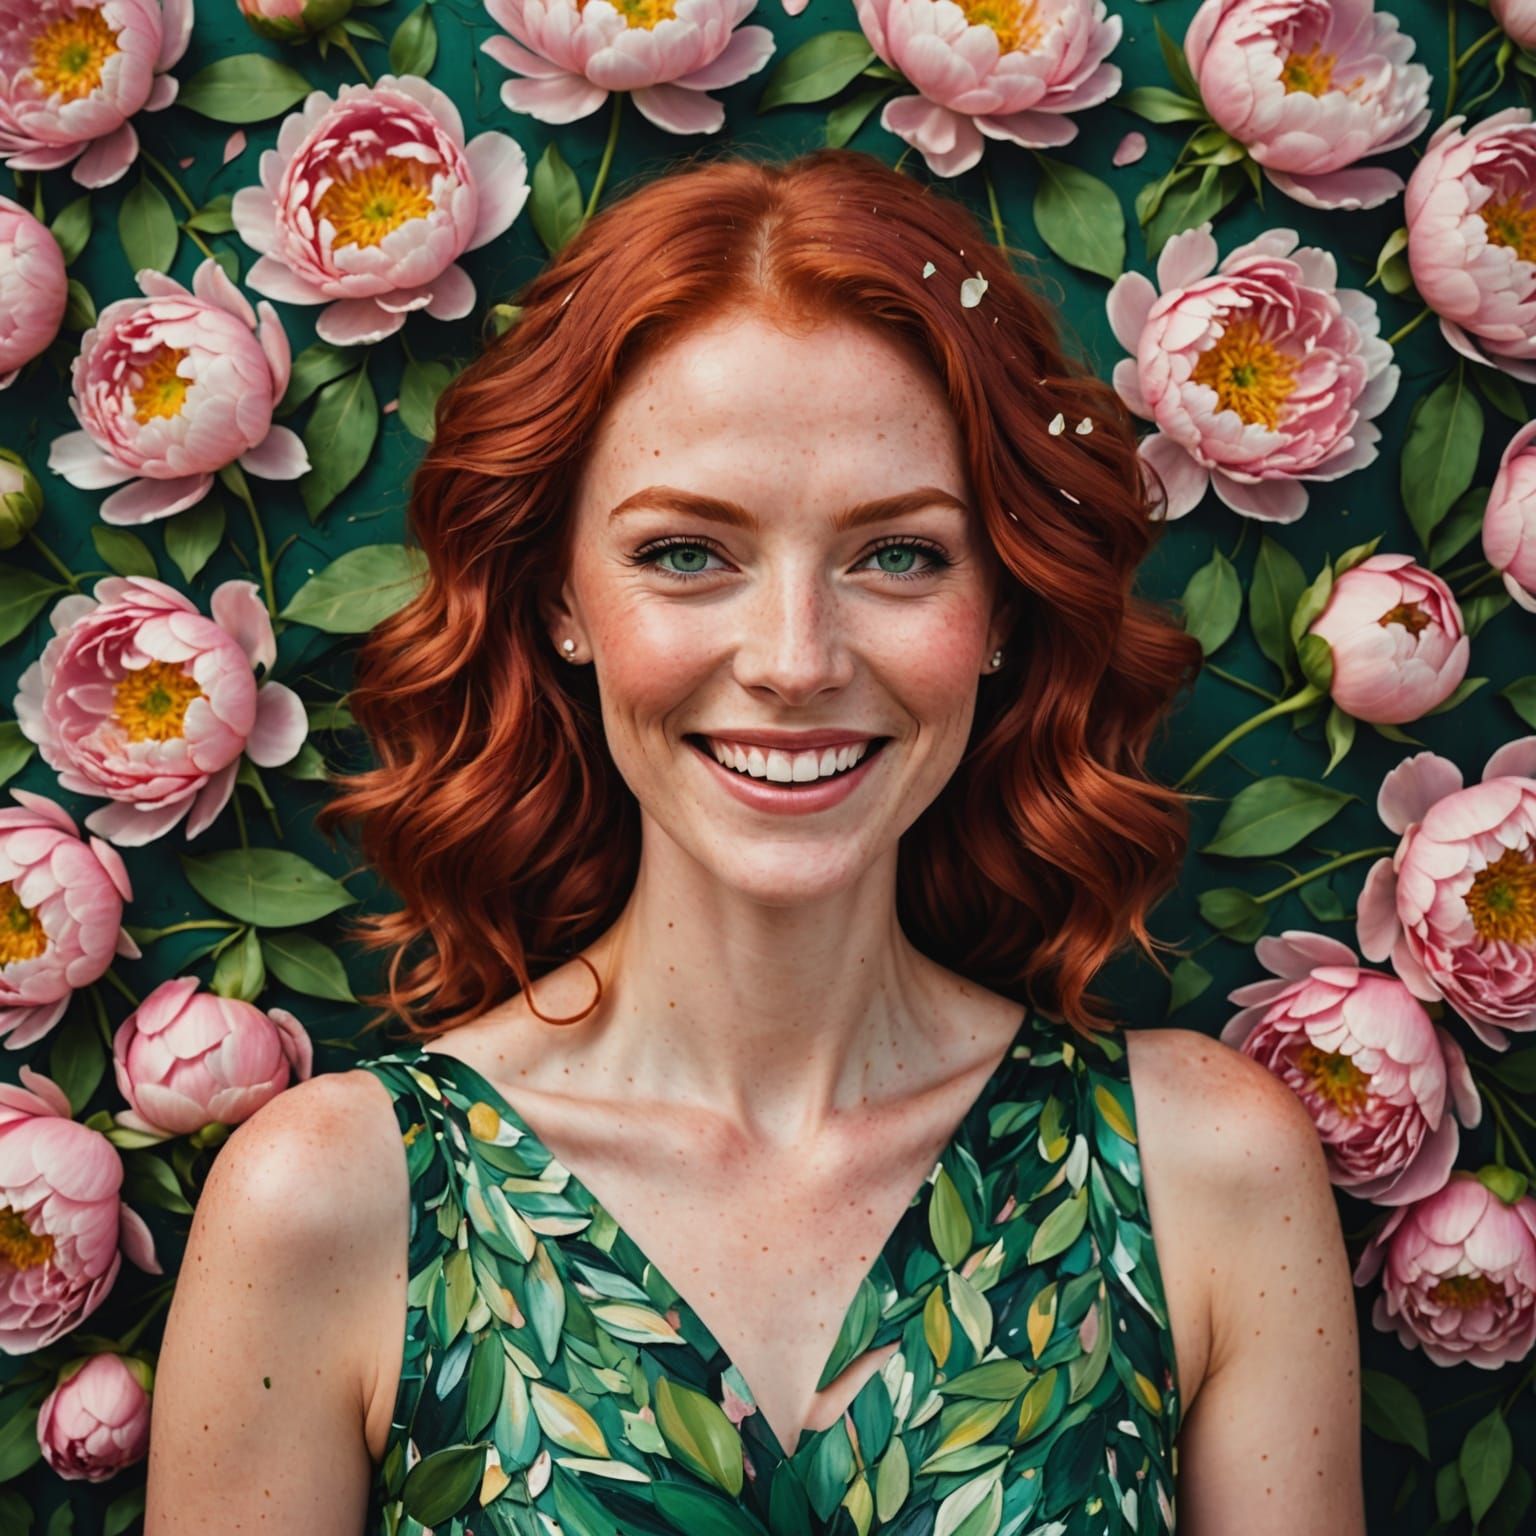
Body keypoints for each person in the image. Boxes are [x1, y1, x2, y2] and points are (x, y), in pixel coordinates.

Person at [142, 148, 1366, 1535]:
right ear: (560, 598)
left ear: (1007, 610)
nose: (794, 661)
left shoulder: (1206, 1174)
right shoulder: (330, 1206)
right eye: (686, 553)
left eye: (898, 554)